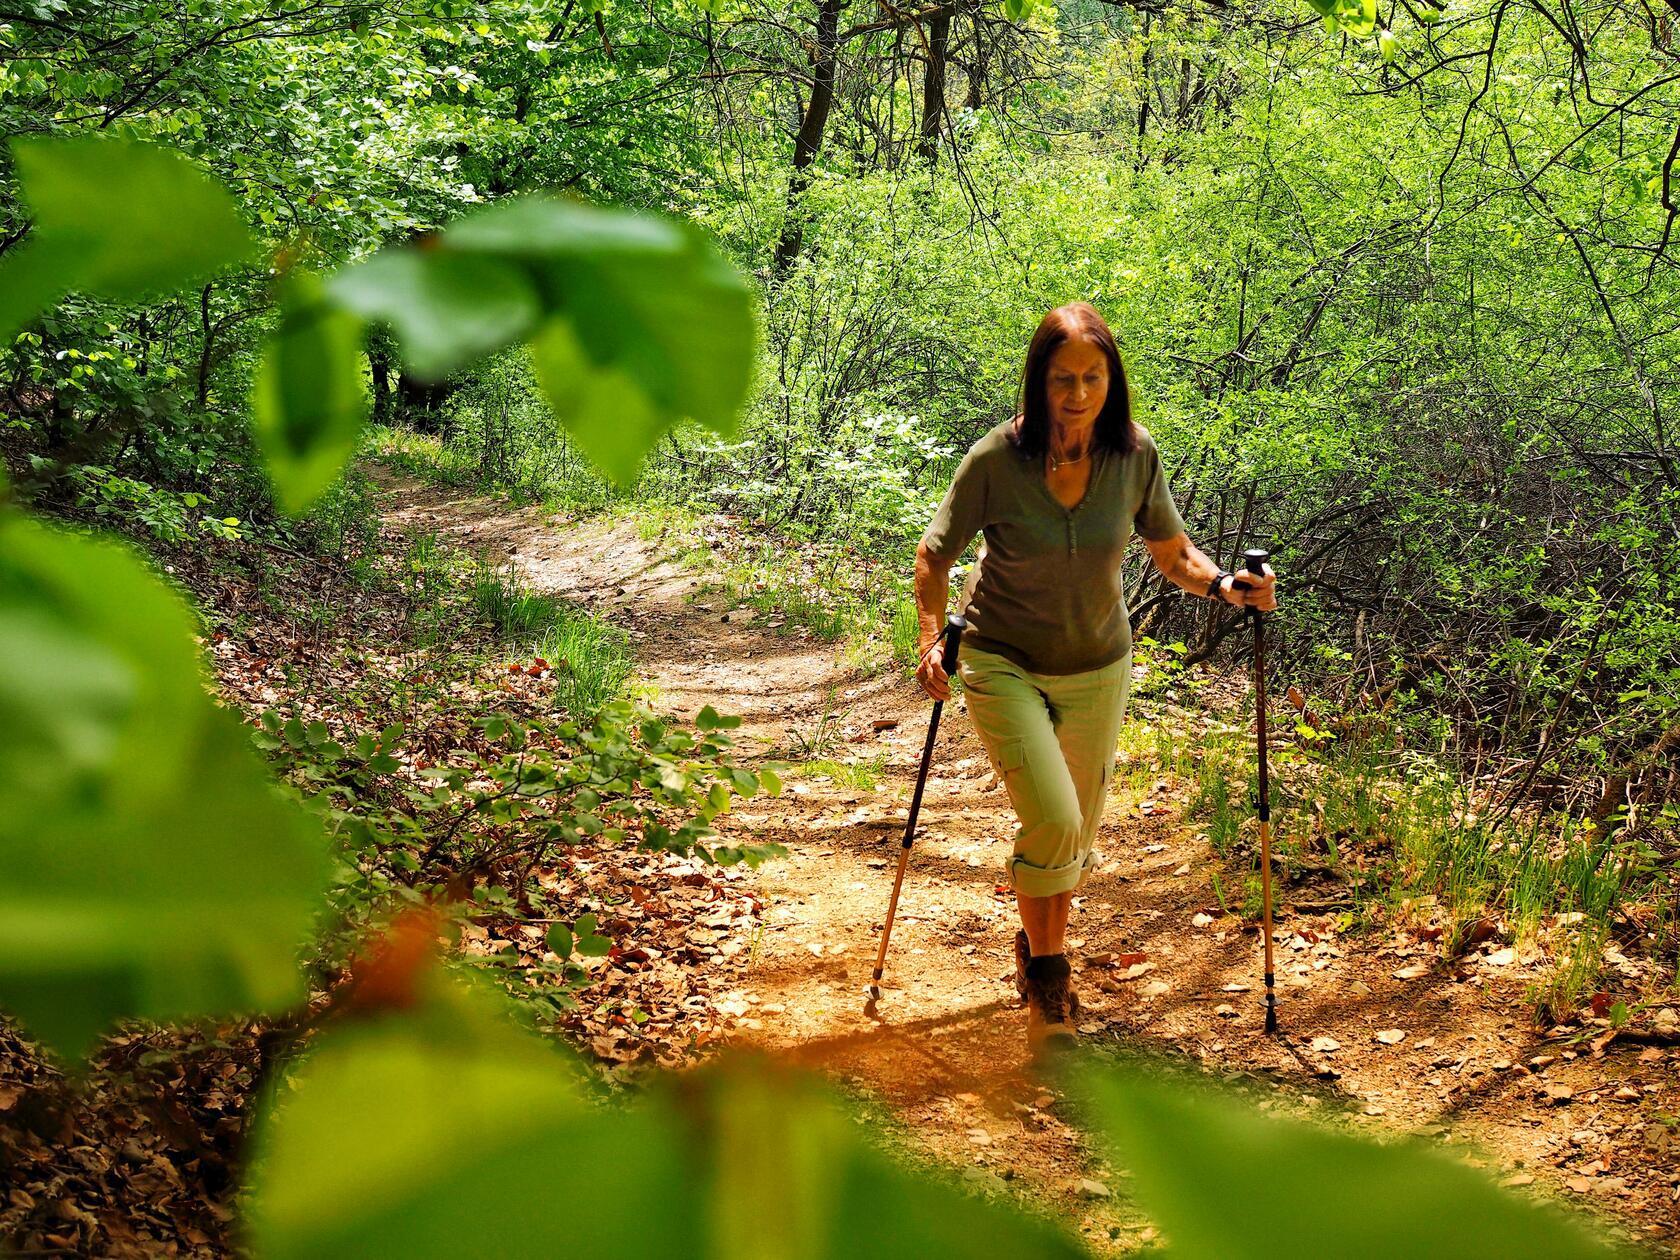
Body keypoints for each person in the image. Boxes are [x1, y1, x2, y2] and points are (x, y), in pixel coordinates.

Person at [913, 301, 1278, 1055]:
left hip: (1099, 665)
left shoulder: (1134, 457)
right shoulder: (994, 463)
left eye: (1091, 377)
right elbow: (934, 554)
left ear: (1111, 380)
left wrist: (1224, 588)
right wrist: (929, 641)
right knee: (1052, 816)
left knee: (1073, 833)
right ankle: (1051, 978)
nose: (1077, 394)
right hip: (1000, 656)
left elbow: (1173, 555)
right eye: (1061, 380)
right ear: (1036, 383)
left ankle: (1035, 951)